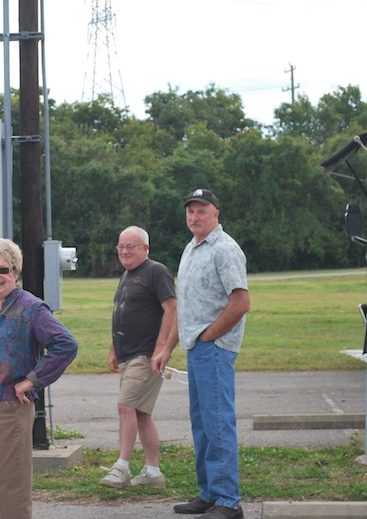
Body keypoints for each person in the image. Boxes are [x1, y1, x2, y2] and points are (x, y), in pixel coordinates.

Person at [0, 238, 78, 519]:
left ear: (15, 272)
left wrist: (32, 380)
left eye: (2, 270)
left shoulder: (30, 308)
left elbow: (65, 344)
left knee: (10, 492)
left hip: (7, 409)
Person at [154, 189, 250, 519]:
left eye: (201, 211)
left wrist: (209, 336)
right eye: (190, 211)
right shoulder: (191, 249)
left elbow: (241, 302)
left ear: (216, 214)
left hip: (215, 349)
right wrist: (167, 347)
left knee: (218, 423)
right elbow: (187, 307)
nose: (194, 217)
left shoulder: (225, 249)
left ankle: (228, 501)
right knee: (202, 424)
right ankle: (209, 494)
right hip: (195, 349)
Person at [100, 226, 177, 489]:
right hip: (127, 354)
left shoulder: (156, 271)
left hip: (145, 355)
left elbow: (172, 309)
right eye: (120, 246)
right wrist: (113, 349)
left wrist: (161, 348)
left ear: (146, 248)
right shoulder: (127, 275)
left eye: (130, 246)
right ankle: (153, 473)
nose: (124, 251)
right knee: (141, 413)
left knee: (125, 407)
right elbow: (120, 313)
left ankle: (121, 467)